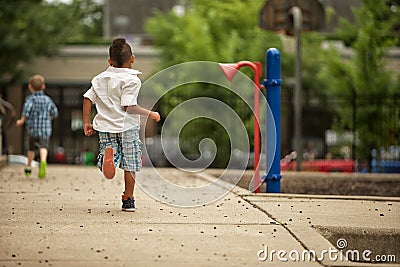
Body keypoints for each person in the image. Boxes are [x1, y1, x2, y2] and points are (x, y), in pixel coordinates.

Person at [83, 38, 160, 212]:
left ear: (109, 61)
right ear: (132, 58)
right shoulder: (132, 80)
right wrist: (151, 114)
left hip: (105, 126)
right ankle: (128, 199)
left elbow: (87, 98)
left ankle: (107, 157)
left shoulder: (99, 79)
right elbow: (128, 106)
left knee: (110, 152)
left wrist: (87, 122)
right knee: (130, 164)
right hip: (127, 127)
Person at [16, 75, 59, 178]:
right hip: (45, 129)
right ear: (43, 86)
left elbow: (27, 110)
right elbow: (55, 112)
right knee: (43, 147)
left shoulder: (30, 99)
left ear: (30, 87)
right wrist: (51, 117)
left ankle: (29, 167)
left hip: (33, 129)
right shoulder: (48, 100)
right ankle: (43, 162)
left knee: (31, 148)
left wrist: (22, 120)